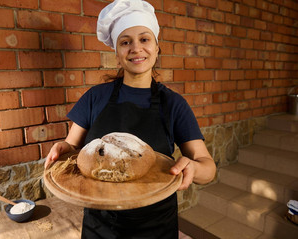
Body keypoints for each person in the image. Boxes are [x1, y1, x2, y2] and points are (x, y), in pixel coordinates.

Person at [45, 0, 216, 238]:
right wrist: (64, 149)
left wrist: (195, 167)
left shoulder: (174, 104)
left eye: (144, 39)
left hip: (155, 226)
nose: (136, 48)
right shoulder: (95, 97)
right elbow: (72, 147)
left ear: (157, 48)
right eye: (125, 42)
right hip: (99, 224)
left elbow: (208, 168)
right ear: (117, 54)